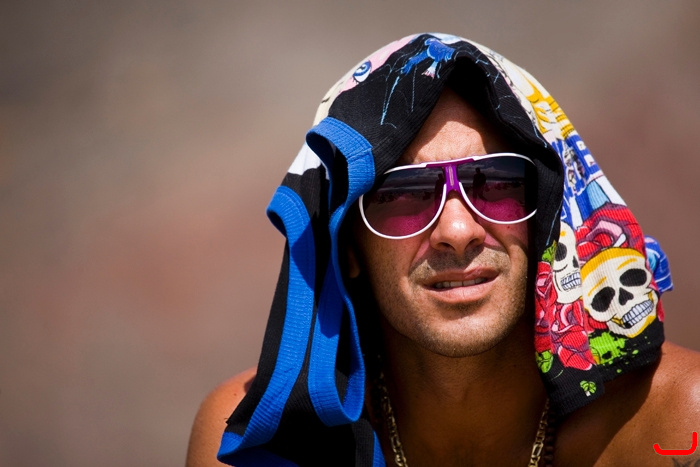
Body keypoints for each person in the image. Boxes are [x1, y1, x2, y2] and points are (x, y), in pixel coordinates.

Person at [187, 33, 700, 466]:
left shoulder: (676, 423)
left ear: (547, 216)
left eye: (497, 183)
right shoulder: (249, 444)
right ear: (348, 247)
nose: (457, 230)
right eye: (404, 194)